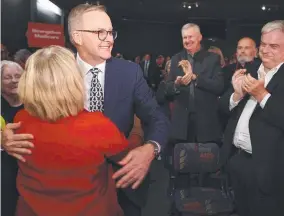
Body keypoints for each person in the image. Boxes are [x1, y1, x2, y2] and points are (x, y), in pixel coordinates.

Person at [1, 4, 169, 216]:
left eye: (110, 32)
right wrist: (3, 137)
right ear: (77, 37)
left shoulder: (130, 72)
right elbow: (31, 111)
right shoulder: (56, 67)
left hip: (123, 179)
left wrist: (150, 148)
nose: (110, 39)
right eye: (100, 32)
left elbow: (157, 117)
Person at [13, 45, 129, 216]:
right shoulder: (97, 125)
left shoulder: (20, 120)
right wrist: (138, 131)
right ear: (74, 81)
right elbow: (126, 157)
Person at [219, 20, 284, 216]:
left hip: (268, 170)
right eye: (263, 44)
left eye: (274, 46)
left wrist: (262, 95)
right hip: (238, 161)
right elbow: (222, 107)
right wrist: (237, 95)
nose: (266, 50)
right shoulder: (251, 68)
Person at [1, 60, 24, 216]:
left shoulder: (34, 102)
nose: (14, 80)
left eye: (18, 76)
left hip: (28, 167)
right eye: (7, 77)